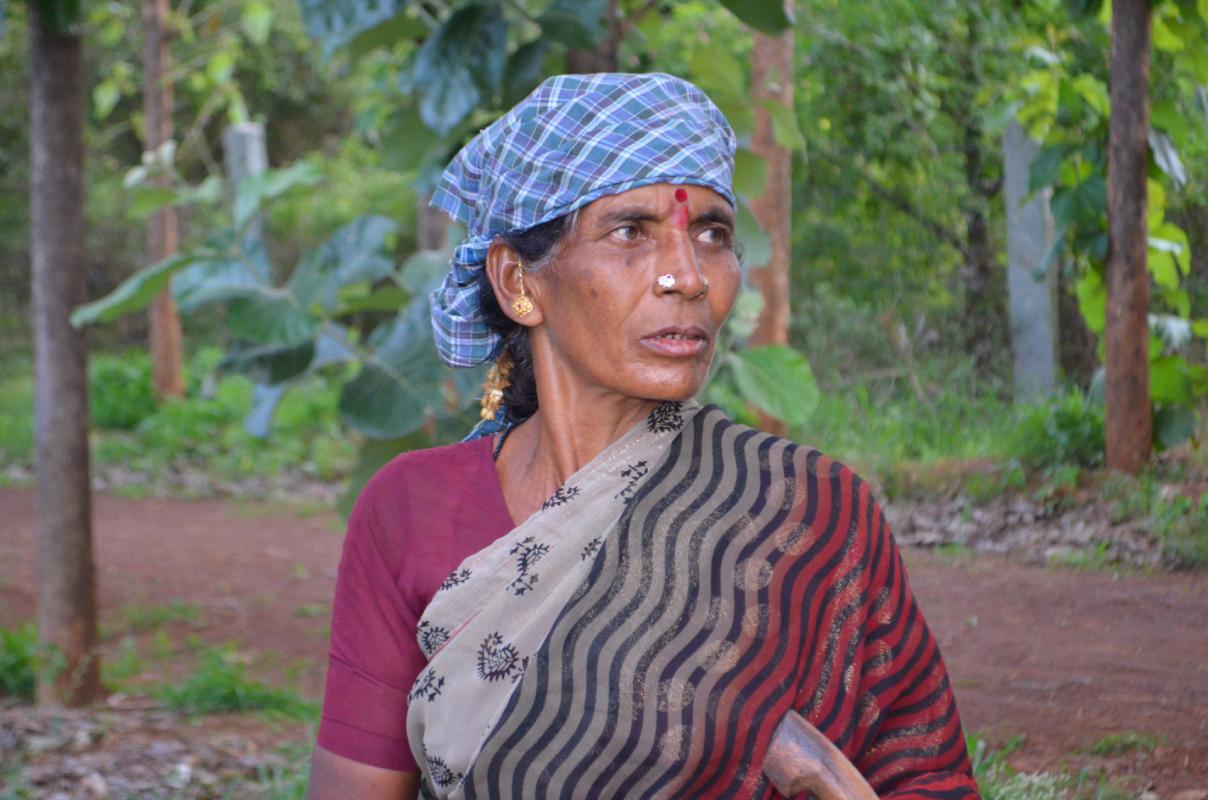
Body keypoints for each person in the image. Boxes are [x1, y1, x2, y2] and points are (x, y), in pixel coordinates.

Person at [306, 72, 979, 800]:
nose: (688, 277)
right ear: (516, 282)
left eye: (712, 234)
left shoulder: (804, 513)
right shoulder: (411, 509)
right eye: (631, 232)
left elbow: (924, 780)